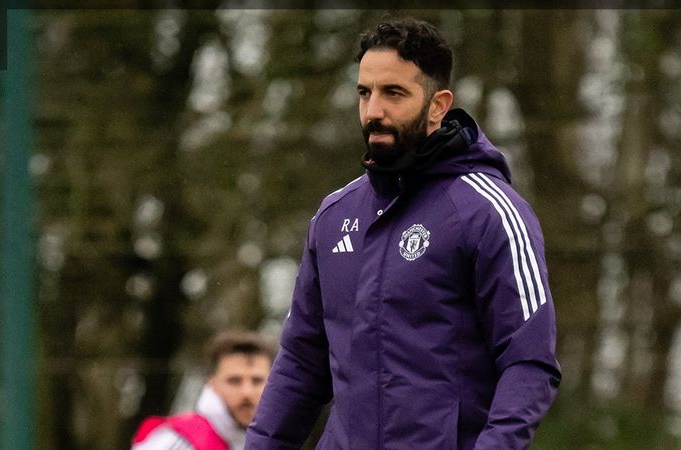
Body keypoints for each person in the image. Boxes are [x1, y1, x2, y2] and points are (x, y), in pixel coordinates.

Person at [245, 17, 561, 450]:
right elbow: (301, 364)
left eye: (393, 93)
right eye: (364, 93)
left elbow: (529, 362)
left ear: (438, 105)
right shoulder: (334, 216)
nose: (373, 111)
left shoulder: (490, 212)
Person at [134, 330, 274, 450]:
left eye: (257, 381)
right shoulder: (181, 442)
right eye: (234, 381)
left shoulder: (271, 440)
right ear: (212, 383)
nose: (247, 392)